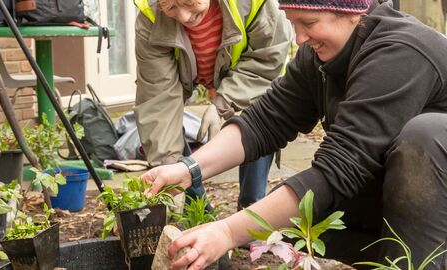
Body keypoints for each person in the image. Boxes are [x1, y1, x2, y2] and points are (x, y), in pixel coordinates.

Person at [142, 0, 447, 269]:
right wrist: (187, 170)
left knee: (424, 135)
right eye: (292, 22)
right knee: (294, 217)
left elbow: (340, 166)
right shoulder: (320, 55)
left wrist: (227, 232)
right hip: (407, 207)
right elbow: (265, 121)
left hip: (437, 198)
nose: (299, 38)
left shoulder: (400, 51)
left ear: (352, 13)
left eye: (309, 23)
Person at [133, 0, 293, 209]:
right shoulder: (151, 17)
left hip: (255, 80)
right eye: (171, 8)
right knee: (166, 136)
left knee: (258, 119)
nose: (183, 17)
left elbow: (266, 62)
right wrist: (168, 171)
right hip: (203, 73)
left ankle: (251, 209)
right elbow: (158, 99)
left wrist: (222, 103)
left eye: (188, 2)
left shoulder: (254, 3)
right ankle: (197, 210)